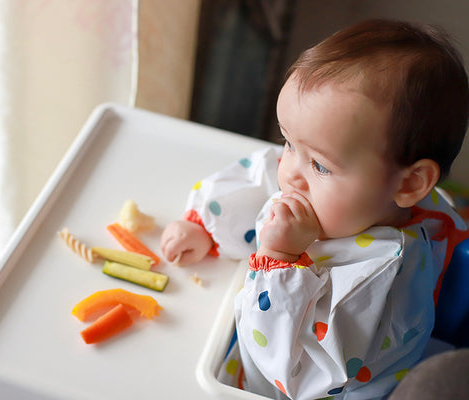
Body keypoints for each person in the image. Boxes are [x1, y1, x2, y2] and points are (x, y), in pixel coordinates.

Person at [161, 19, 469, 399]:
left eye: (320, 165)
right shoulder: (347, 193)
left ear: (409, 184)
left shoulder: (375, 280)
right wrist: (205, 224)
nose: (290, 172)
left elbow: (292, 372)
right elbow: (261, 173)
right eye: (288, 141)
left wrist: (279, 260)